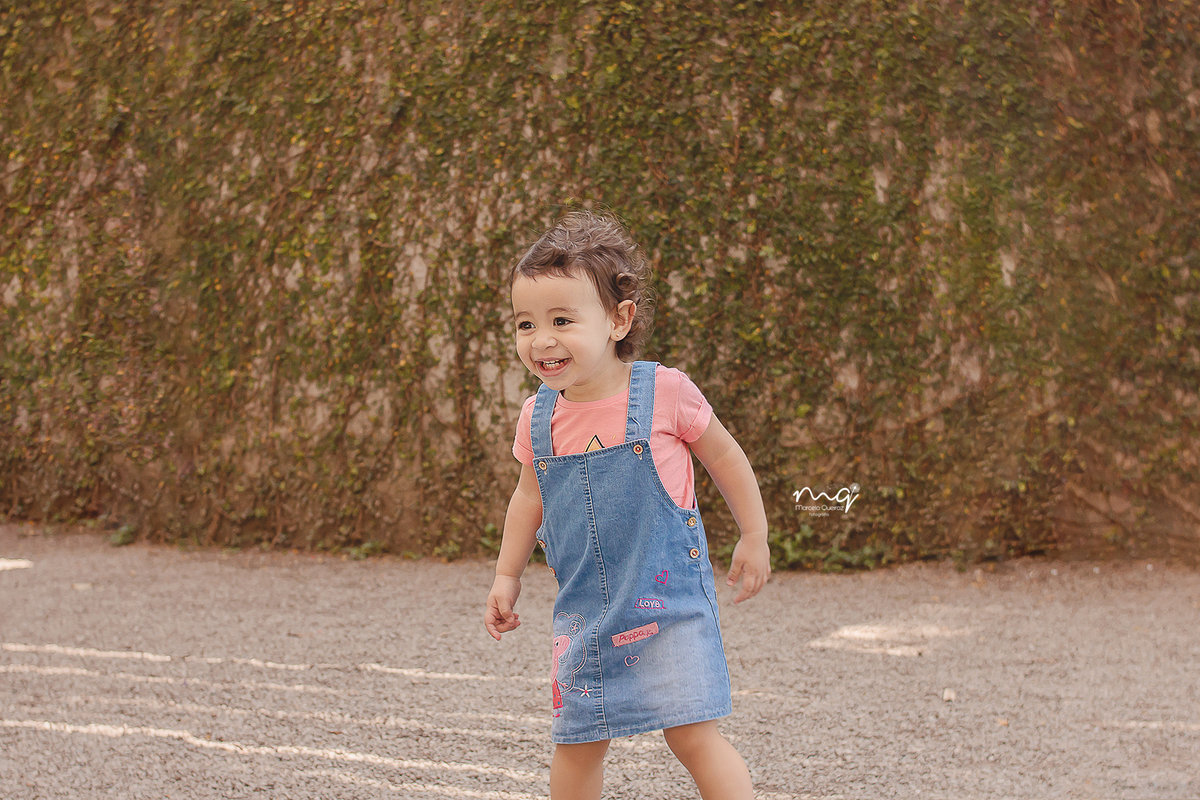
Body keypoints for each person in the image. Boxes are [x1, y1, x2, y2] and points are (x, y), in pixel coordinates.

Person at [484, 210, 771, 800]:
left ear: (619, 319)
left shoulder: (665, 392)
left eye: (562, 320)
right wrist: (507, 574)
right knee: (578, 741)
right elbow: (528, 495)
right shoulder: (539, 417)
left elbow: (725, 456)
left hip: (670, 606)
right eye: (525, 324)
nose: (541, 339)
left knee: (692, 734)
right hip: (585, 613)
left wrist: (754, 534)